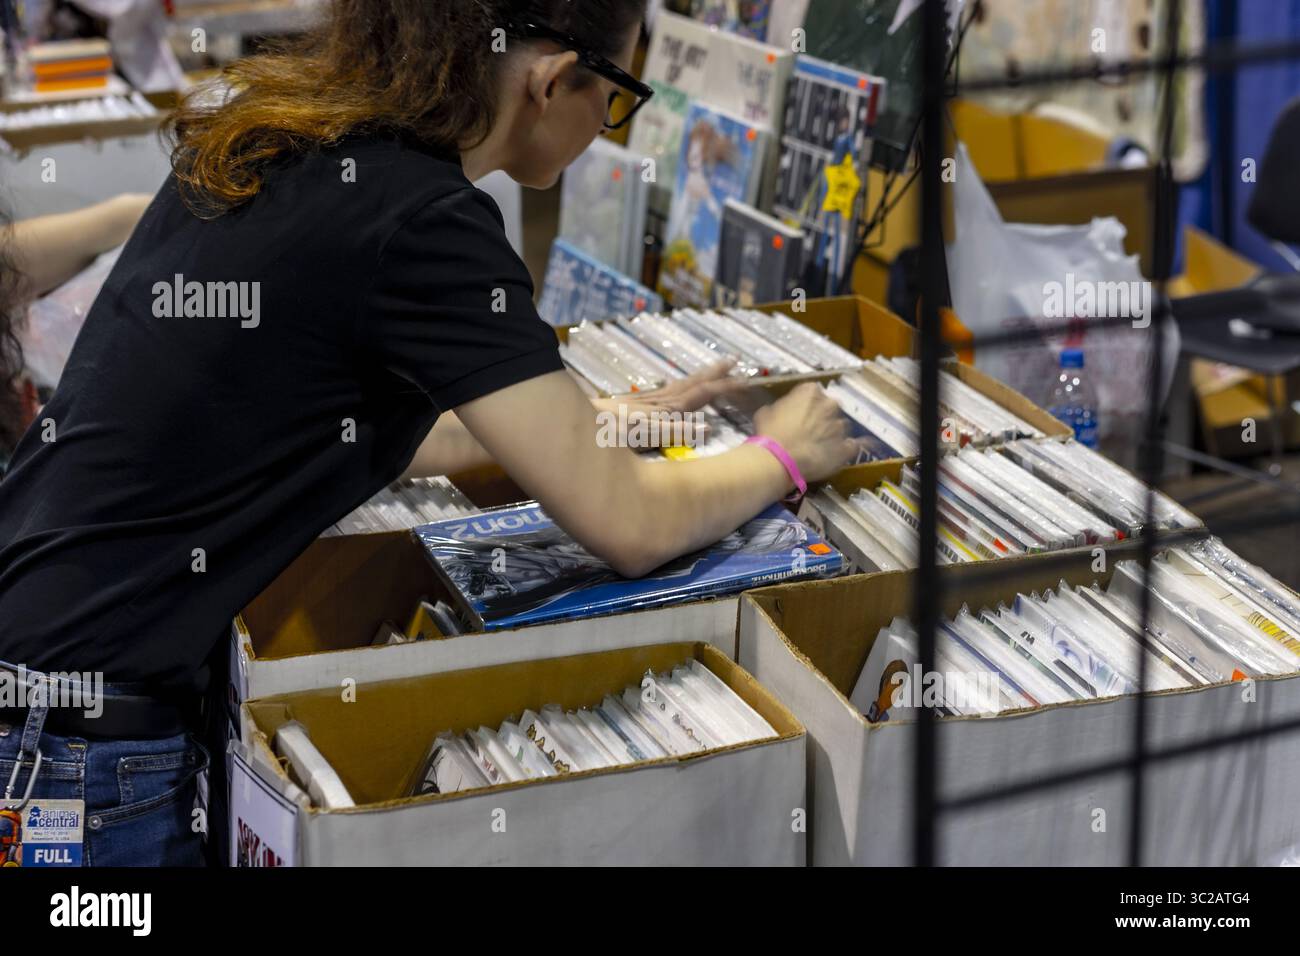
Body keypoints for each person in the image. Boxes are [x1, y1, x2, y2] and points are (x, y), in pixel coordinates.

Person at [0, 0, 854, 866]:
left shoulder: (279, 134)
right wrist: (784, 453)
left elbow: (371, 431)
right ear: (553, 80)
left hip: (45, 684)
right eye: (619, 94)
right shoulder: (424, 221)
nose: (608, 125)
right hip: (76, 751)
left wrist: (598, 427)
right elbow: (632, 528)